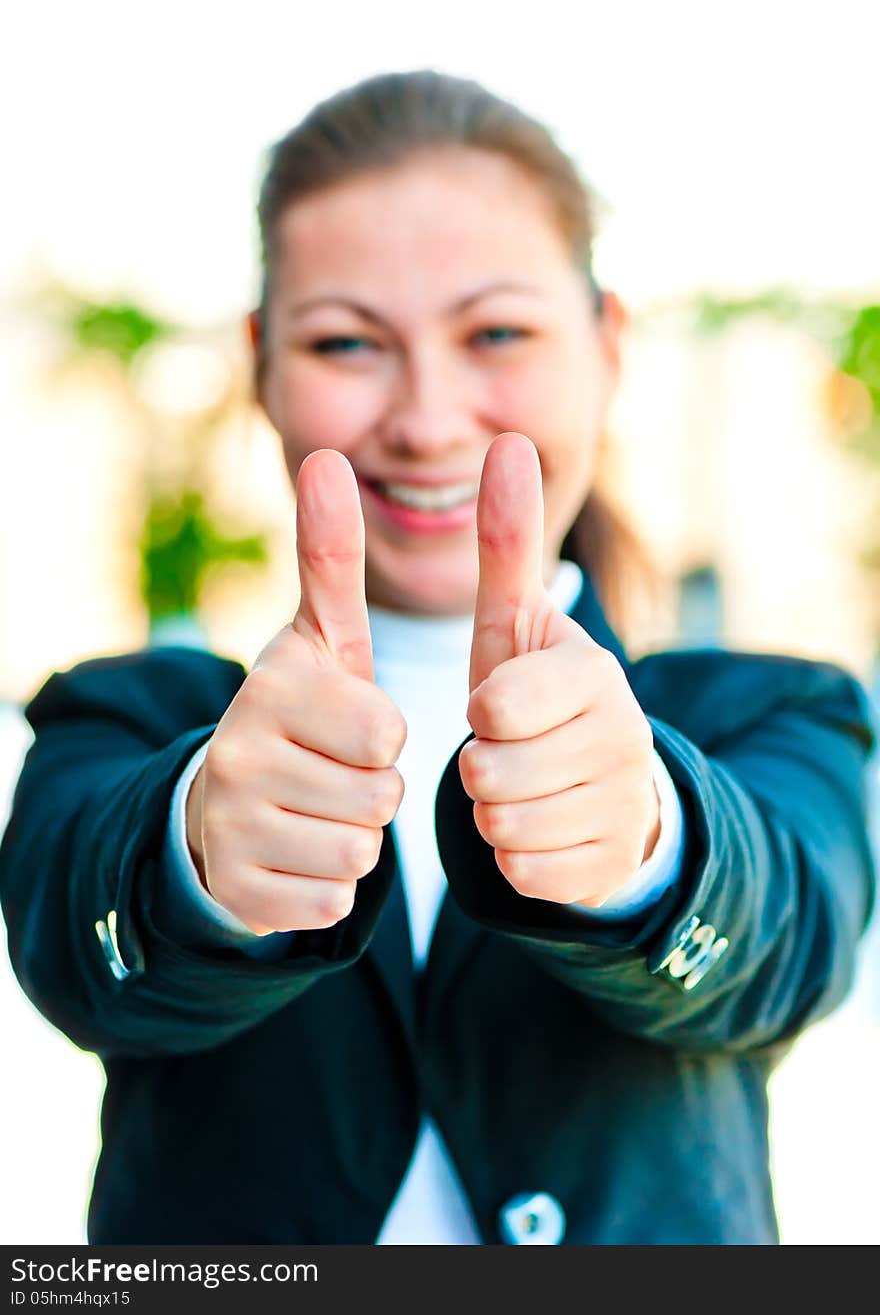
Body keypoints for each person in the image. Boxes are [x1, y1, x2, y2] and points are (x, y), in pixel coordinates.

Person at [0, 70, 875, 1246]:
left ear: (608, 346)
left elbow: (791, 941)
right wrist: (195, 850)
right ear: (262, 365)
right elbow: (73, 947)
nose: (423, 417)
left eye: (498, 332)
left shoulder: (772, 711)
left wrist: (655, 844)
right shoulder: (122, 718)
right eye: (347, 341)